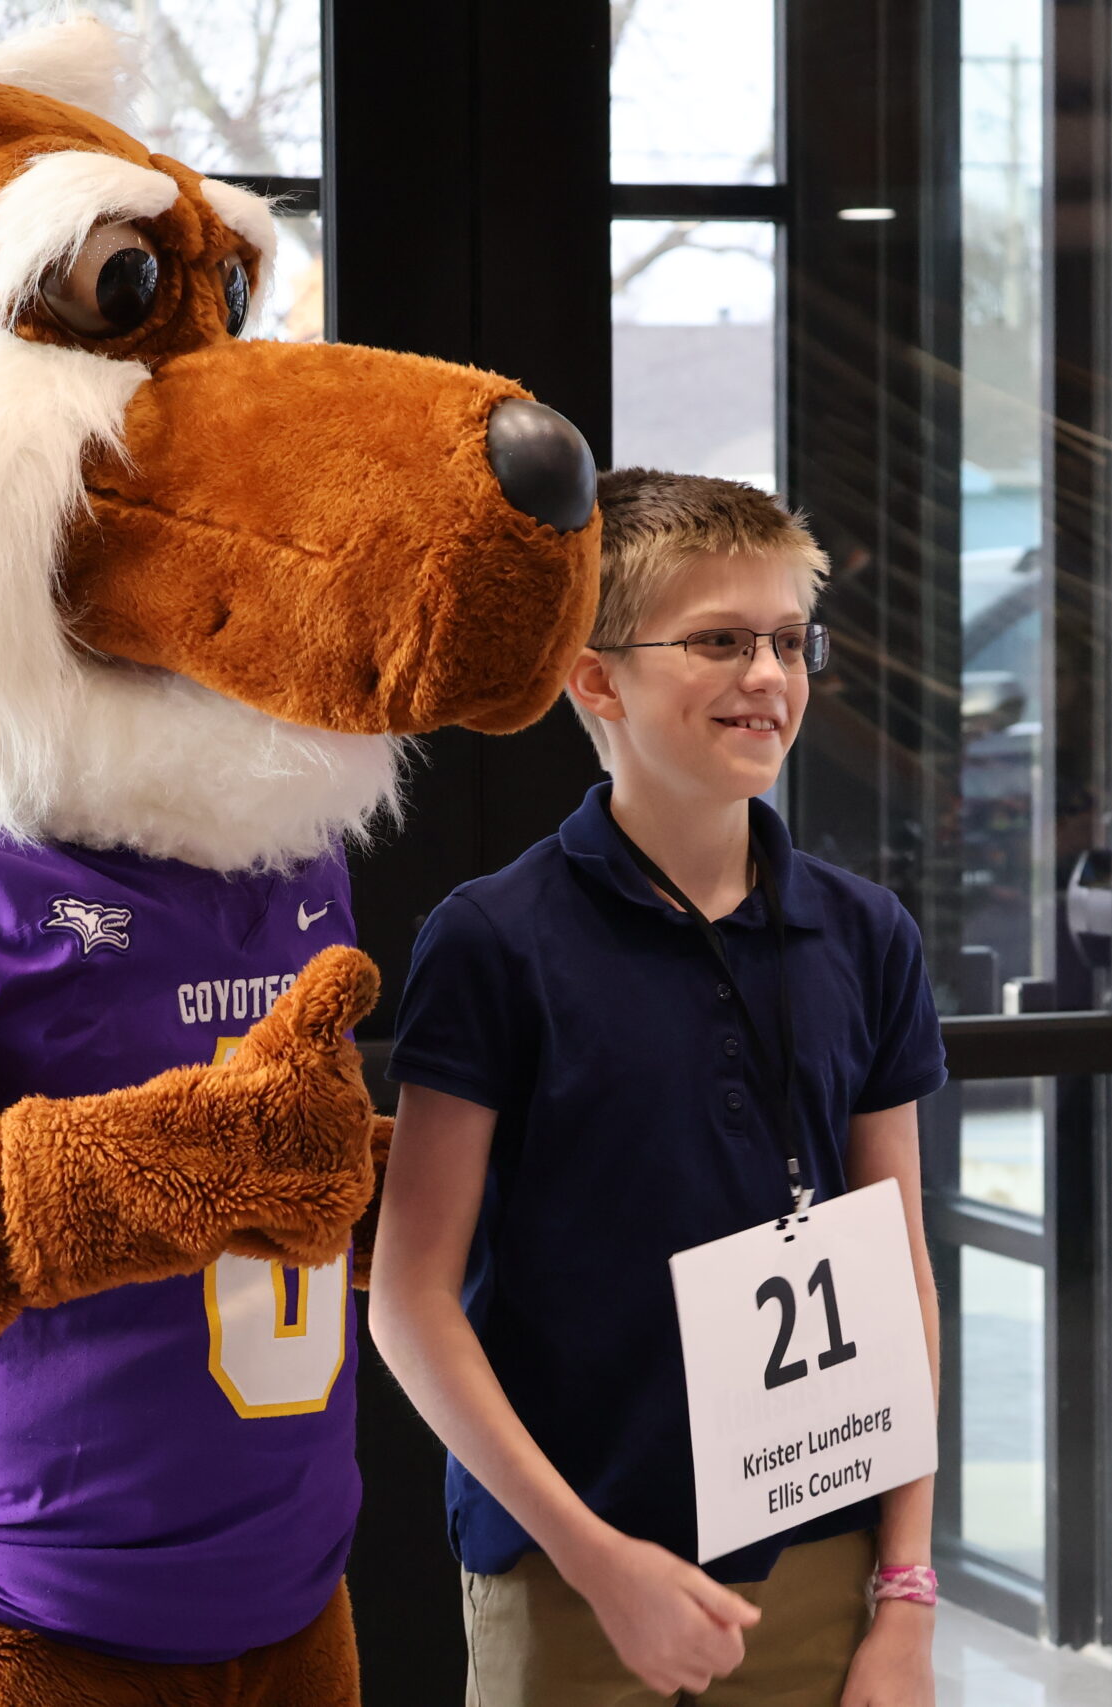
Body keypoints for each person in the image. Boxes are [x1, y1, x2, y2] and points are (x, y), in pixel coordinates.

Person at [370, 469, 948, 1707]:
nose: (769, 677)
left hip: (821, 1561)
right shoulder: (494, 941)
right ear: (597, 680)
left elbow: (896, 1266)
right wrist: (598, 1563)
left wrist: (904, 1597)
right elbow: (408, 1302)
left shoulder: (866, 935)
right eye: (720, 641)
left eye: (790, 641)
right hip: (578, 1574)